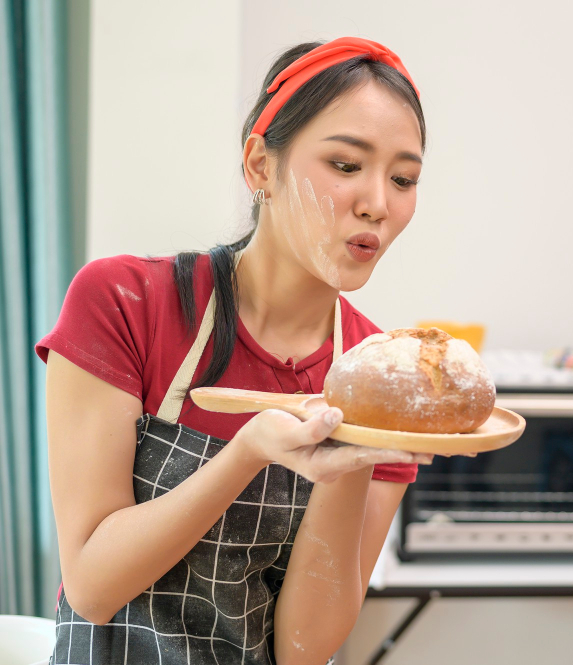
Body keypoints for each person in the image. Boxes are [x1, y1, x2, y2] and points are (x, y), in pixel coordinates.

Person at [37, 37, 432, 664]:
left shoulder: (377, 372)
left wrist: (351, 456)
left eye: (403, 178)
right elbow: (91, 584)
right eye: (347, 166)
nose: (378, 204)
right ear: (260, 166)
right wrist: (246, 452)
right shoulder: (127, 302)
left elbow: (305, 650)